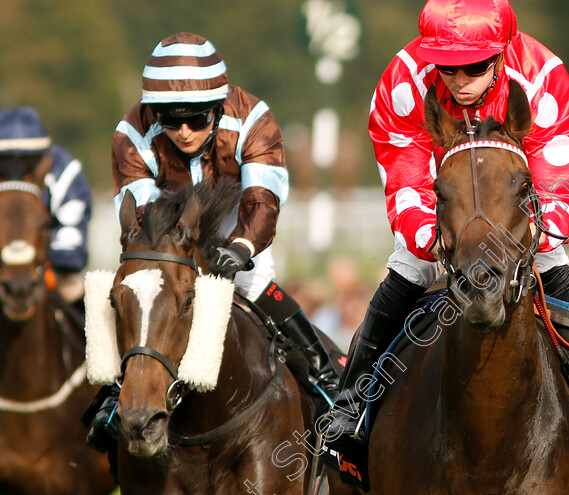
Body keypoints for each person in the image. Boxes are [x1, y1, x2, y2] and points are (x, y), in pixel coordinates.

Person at [325, 0, 569, 449]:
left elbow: (557, 168)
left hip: (514, 203)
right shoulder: (403, 80)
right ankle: (351, 406)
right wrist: (430, 235)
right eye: (447, 70)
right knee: (407, 269)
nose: (459, 81)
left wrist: (538, 231)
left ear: (502, 54)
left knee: (554, 265)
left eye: (473, 68)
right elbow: (405, 171)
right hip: (445, 200)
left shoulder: (543, 77)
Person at [87, 32, 340, 451]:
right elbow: (142, 214)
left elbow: (262, 199)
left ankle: (324, 378)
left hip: (234, 207)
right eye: (172, 120)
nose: (184, 132)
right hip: (165, 215)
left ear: (218, 109)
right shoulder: (131, 131)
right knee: (141, 287)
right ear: (154, 113)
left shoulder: (254, 118)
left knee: (253, 283)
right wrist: (178, 257)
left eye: (197, 120)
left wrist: (240, 247)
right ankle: (116, 394)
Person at [0, 107, 92, 308]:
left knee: (72, 286)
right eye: (5, 161)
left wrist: (56, 263)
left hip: (51, 269)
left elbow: (71, 240)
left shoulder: (65, 170)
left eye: (26, 161)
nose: (16, 170)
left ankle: (94, 340)